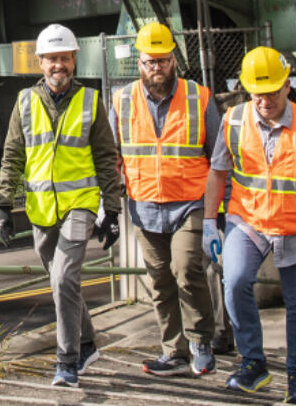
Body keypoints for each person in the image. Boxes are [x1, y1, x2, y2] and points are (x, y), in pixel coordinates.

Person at [202, 46, 296, 406]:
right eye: (256, 93)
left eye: (272, 92)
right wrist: (208, 222)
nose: (264, 100)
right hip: (247, 221)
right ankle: (253, 363)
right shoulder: (233, 120)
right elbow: (218, 173)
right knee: (234, 282)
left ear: (288, 87)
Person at [0, 23, 122, 388]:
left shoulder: (91, 101)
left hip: (80, 205)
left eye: (64, 58)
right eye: (51, 59)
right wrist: (4, 206)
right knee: (60, 281)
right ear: (40, 63)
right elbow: (12, 156)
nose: (58, 66)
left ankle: (66, 362)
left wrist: (111, 211)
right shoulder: (24, 102)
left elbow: (106, 158)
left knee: (65, 277)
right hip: (40, 209)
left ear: (74, 60)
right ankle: (87, 342)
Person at [110, 22, 220, 377]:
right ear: (138, 64)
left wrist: (220, 213)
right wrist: (107, 207)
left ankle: (201, 342)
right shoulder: (122, 100)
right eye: (149, 62)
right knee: (159, 281)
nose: (156, 67)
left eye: (162, 60)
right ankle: (173, 351)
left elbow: (219, 157)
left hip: (191, 202)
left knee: (187, 270)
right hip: (144, 207)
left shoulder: (199, 97)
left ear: (174, 59)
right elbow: (110, 156)